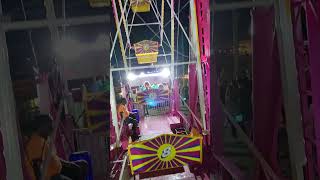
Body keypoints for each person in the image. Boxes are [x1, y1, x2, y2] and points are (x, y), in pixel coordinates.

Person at [23, 114, 88, 180]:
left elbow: (52, 157)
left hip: (57, 169)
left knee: (82, 165)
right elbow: (36, 166)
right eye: (49, 125)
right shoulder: (36, 142)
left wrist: (68, 164)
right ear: (41, 126)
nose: (52, 128)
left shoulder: (43, 139)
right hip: (51, 177)